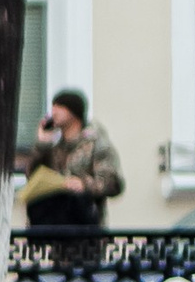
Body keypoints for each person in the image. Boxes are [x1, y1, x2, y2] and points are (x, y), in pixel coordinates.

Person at [23, 85, 125, 232]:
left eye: (60, 106)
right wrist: (42, 145)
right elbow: (32, 176)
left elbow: (113, 183)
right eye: (53, 107)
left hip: (86, 231)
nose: (53, 112)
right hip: (56, 230)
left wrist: (83, 185)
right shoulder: (54, 147)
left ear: (73, 111)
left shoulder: (96, 144)